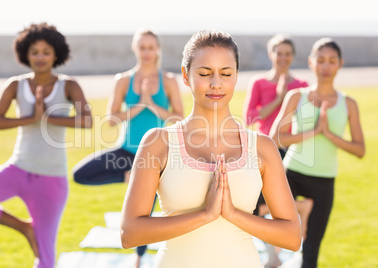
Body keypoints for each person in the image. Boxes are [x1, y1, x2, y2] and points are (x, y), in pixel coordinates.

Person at [120, 29, 302, 268]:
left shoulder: (262, 147)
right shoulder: (158, 142)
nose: (216, 84)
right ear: (186, 76)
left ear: (236, 75)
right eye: (205, 73)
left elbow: (291, 236)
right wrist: (205, 215)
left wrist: (234, 215)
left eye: (226, 73)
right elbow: (129, 233)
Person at [0, 22, 92, 268]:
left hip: (51, 179)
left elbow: (87, 120)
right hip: (17, 169)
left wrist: (48, 116)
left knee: (46, 258)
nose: (40, 57)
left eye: (46, 52)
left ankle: (34, 234)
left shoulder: (68, 85)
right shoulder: (15, 85)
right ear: (25, 54)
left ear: (56, 54)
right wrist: (31, 118)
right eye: (35, 52)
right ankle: (24, 228)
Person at [72, 29, 183, 267]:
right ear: (135, 49)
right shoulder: (123, 80)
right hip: (126, 151)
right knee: (80, 174)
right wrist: (138, 105)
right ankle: (127, 177)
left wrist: (151, 104)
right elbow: (111, 119)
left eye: (150, 47)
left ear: (158, 50)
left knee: (144, 214)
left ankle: (139, 258)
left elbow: (179, 118)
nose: (146, 52)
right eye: (142, 47)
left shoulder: (170, 80)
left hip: (156, 156)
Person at [270, 38, 365, 268]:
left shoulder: (348, 103)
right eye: (320, 60)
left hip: (324, 181)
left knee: (311, 250)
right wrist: (312, 132)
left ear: (340, 64)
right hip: (292, 174)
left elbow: (360, 150)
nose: (326, 66)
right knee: (277, 234)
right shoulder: (297, 96)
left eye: (331, 61)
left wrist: (330, 135)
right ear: (311, 63)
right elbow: (276, 137)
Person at [243, 34, 312, 267]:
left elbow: (307, 119)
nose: (283, 58)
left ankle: (276, 255)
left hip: (290, 151)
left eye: (287, 54)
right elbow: (250, 117)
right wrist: (280, 98)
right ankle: (274, 254)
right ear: (271, 54)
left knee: (281, 207)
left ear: (293, 56)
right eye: (279, 53)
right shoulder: (259, 83)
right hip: (262, 151)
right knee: (254, 209)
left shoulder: (302, 86)